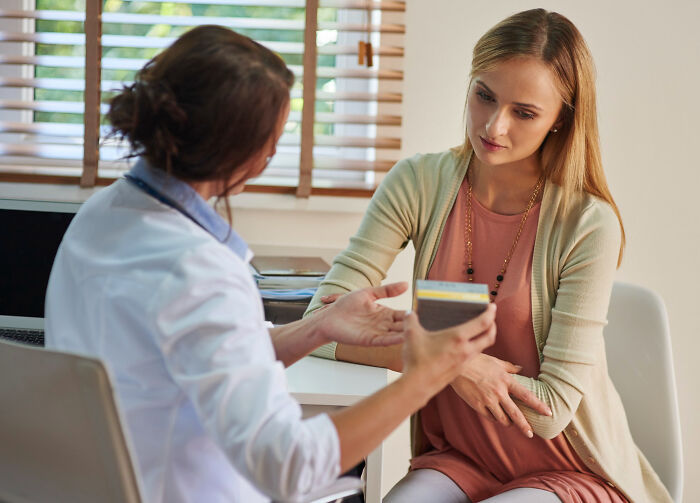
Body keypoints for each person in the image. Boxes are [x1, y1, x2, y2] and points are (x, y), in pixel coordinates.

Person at [43, 25, 499, 503]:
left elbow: (195, 354)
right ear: (237, 153)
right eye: (274, 140)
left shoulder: (101, 215)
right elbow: (290, 468)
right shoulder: (200, 271)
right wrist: (427, 377)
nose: (273, 154)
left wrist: (320, 326)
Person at [304, 8, 672, 503]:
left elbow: (550, 413)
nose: (494, 126)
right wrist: (455, 365)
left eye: (524, 112)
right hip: (457, 459)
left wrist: (441, 361)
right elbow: (320, 324)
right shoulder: (420, 184)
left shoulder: (586, 223)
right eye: (484, 96)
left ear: (560, 119)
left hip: (567, 471)